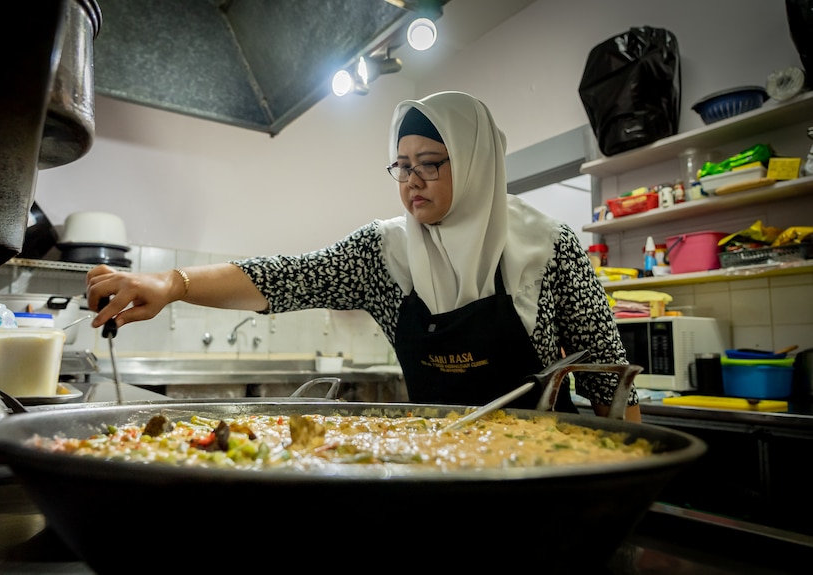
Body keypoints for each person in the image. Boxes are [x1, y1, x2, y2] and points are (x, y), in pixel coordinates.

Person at [87, 90, 641, 422]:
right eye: (402, 165)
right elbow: (283, 279)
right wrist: (174, 284)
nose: (411, 180)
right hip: (440, 466)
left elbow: (609, 383)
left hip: (544, 480)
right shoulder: (385, 252)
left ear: (476, 163)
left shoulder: (546, 247)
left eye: (430, 163)